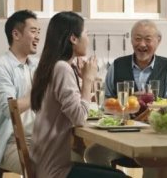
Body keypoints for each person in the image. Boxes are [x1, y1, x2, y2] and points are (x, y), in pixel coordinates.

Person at [30, 11, 126, 178]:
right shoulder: (62, 68)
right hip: (55, 171)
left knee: (116, 174)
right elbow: (80, 117)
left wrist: (83, 79)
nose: (87, 40)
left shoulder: (52, 66)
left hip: (46, 164)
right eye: (86, 34)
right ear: (73, 38)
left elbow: (72, 107)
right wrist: (88, 80)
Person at [0, 10, 40, 174]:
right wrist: (38, 90)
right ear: (16, 34)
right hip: (10, 143)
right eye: (33, 31)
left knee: (79, 163)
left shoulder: (37, 65)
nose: (38, 36)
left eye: (39, 32)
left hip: (40, 140)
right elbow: (9, 109)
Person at [104, 19, 167, 99]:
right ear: (131, 40)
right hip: (123, 112)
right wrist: (129, 100)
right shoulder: (116, 65)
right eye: (138, 39)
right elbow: (107, 98)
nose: (142, 44)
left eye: (148, 39)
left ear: (158, 40)